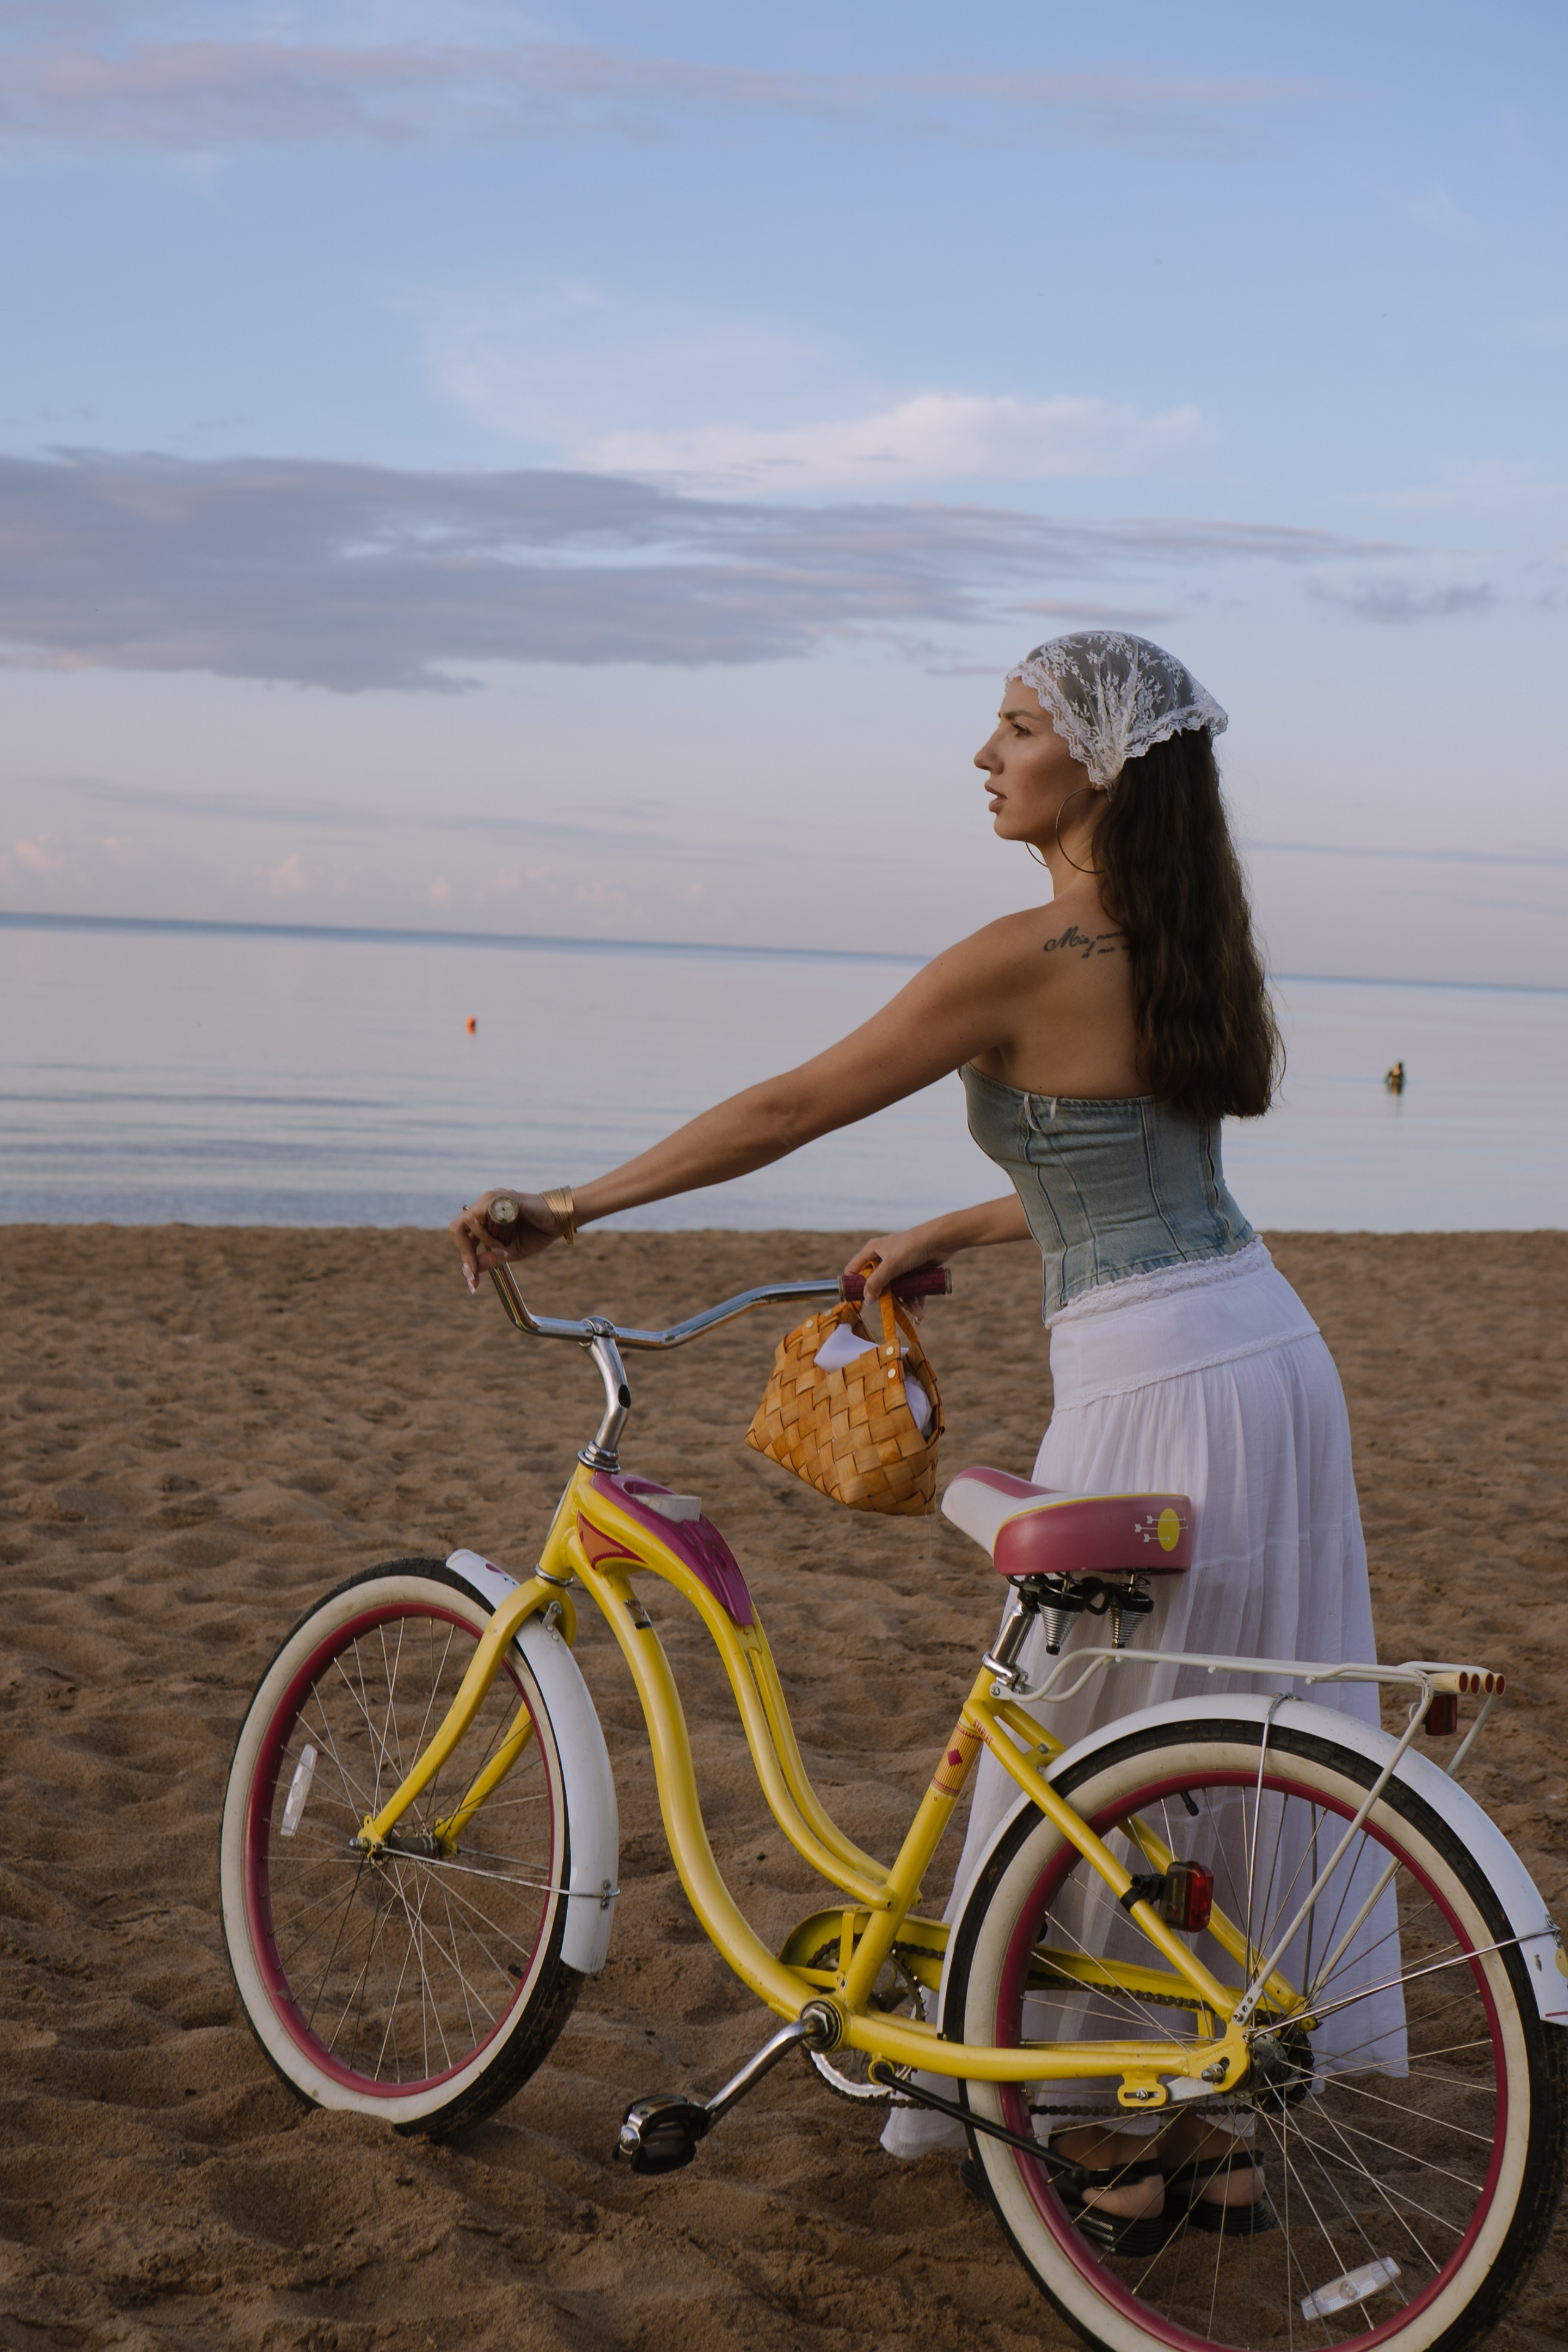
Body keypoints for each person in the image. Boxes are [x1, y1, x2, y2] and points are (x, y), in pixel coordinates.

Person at [450, 631, 1395, 2239]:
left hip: (1154, 1381)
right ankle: (1214, 2127)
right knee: (1206, 1720)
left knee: (1086, 1744)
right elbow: (1139, 1176)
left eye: (1017, 726)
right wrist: (949, 1221)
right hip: (1262, 1348)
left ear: (1095, 764)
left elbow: (790, 1104)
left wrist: (574, 1206)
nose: (985, 753)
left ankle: (1102, 2125)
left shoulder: (1021, 949)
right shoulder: (1188, 937)